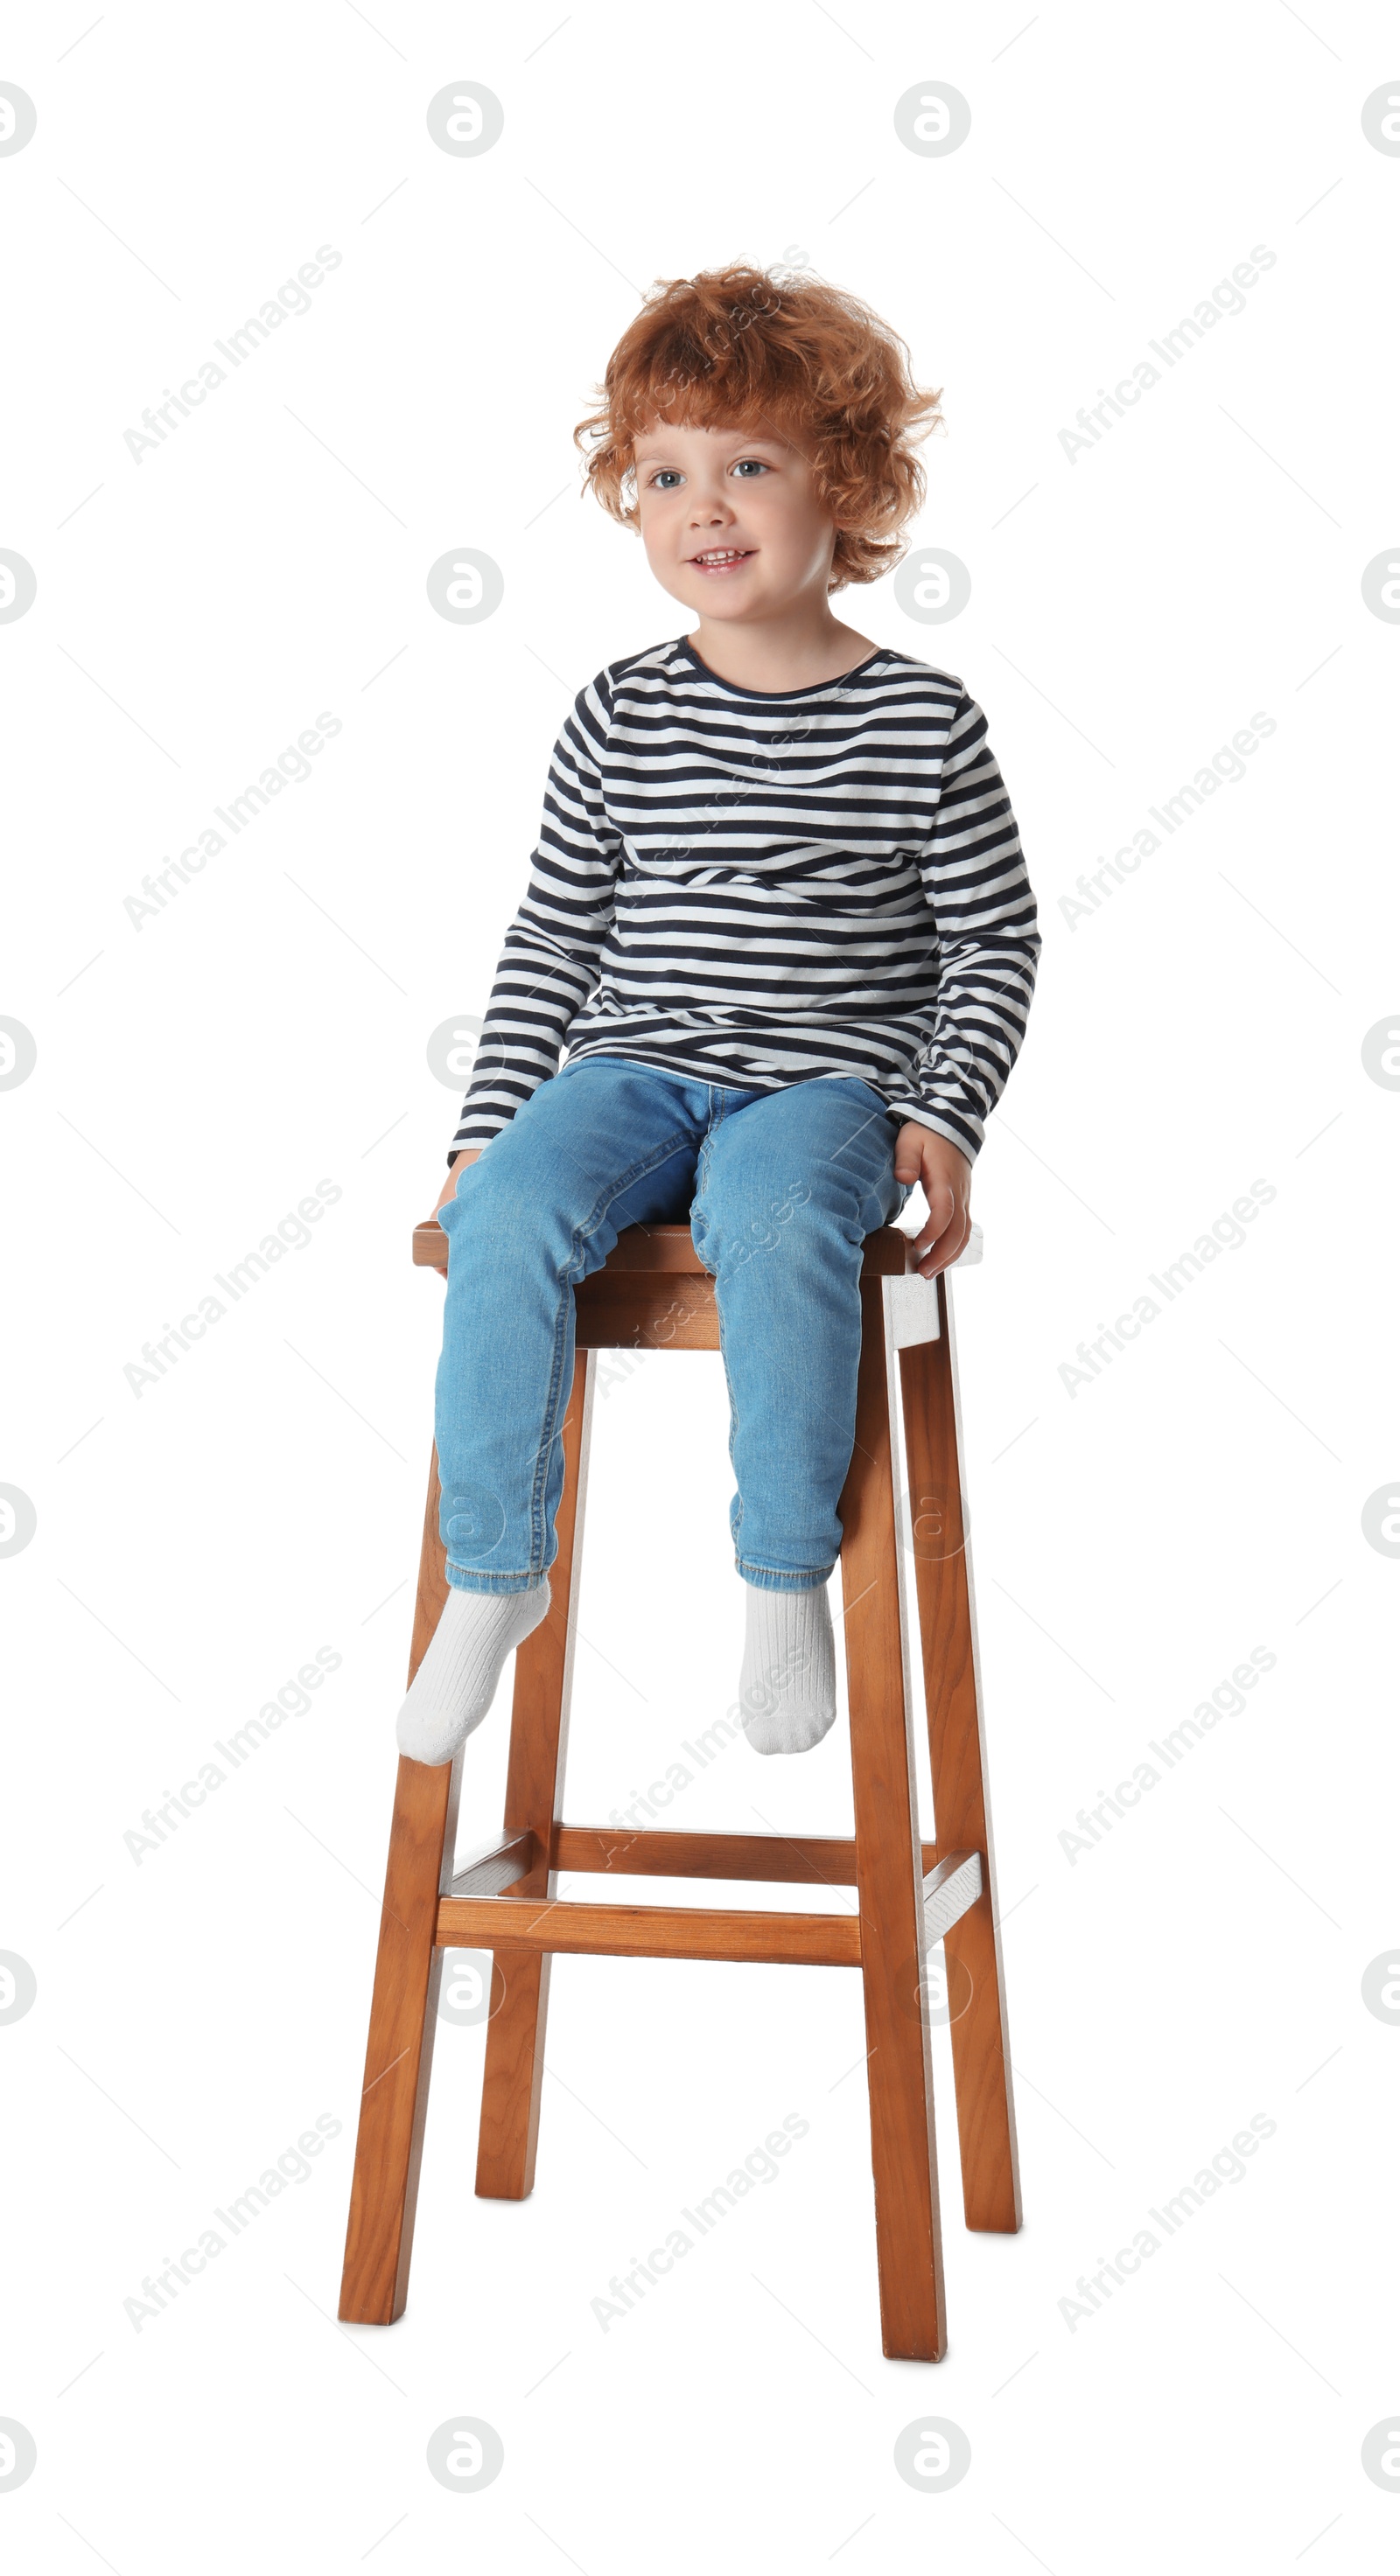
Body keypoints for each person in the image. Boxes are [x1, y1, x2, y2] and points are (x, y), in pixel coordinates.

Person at [396, 263, 1040, 1768]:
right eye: (667, 472)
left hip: (818, 1085)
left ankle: (778, 1580)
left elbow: (992, 941)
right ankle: (496, 1575)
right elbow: (554, 930)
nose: (707, 505)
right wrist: (485, 1129)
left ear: (850, 487)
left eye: (751, 464)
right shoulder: (620, 710)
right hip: (633, 1067)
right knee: (506, 1213)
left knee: (772, 1222)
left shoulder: (922, 722)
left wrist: (944, 1114)